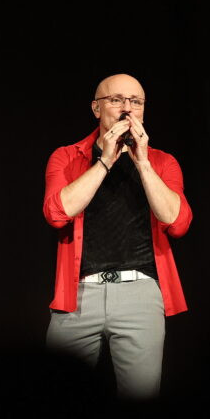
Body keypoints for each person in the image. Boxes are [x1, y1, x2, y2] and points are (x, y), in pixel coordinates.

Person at [43, 74, 192, 399]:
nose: (127, 109)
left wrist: (143, 163)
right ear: (96, 108)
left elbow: (177, 223)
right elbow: (57, 214)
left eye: (135, 102)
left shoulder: (162, 162)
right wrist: (105, 161)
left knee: (141, 397)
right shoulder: (67, 157)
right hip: (78, 296)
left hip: (140, 292)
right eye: (116, 100)